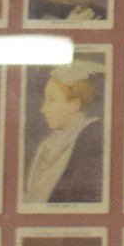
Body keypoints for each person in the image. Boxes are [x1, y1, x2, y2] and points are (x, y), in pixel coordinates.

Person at [19, 62, 105, 207]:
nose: (43, 108)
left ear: (74, 105)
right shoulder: (49, 143)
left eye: (51, 100)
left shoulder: (91, 139)